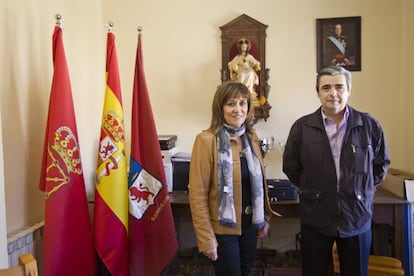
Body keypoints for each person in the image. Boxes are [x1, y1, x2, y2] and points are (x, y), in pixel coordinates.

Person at [282, 65, 390, 276]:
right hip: (316, 217)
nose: (333, 93)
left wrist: (360, 190)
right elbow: (291, 168)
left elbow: (380, 165)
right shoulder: (302, 127)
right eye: (326, 88)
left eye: (339, 87)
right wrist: (314, 188)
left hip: (356, 217)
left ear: (349, 90)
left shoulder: (369, 125)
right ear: (318, 92)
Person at [189, 81, 280, 276]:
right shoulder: (206, 140)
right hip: (222, 230)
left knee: (245, 272)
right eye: (231, 103)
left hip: (250, 226)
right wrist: (206, 238)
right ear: (220, 107)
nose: (238, 109)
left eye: (242, 103)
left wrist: (265, 216)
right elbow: (197, 196)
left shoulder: (251, 137)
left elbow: (258, 181)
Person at [228, 38, 261, 106]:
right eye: (242, 47)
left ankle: (249, 90)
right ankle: (241, 90)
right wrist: (234, 65)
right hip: (241, 70)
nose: (244, 48)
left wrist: (256, 64)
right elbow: (231, 63)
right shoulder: (238, 57)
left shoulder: (249, 56)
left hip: (249, 70)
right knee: (242, 75)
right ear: (240, 48)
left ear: (247, 48)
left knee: (251, 74)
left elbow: (255, 62)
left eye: (245, 47)